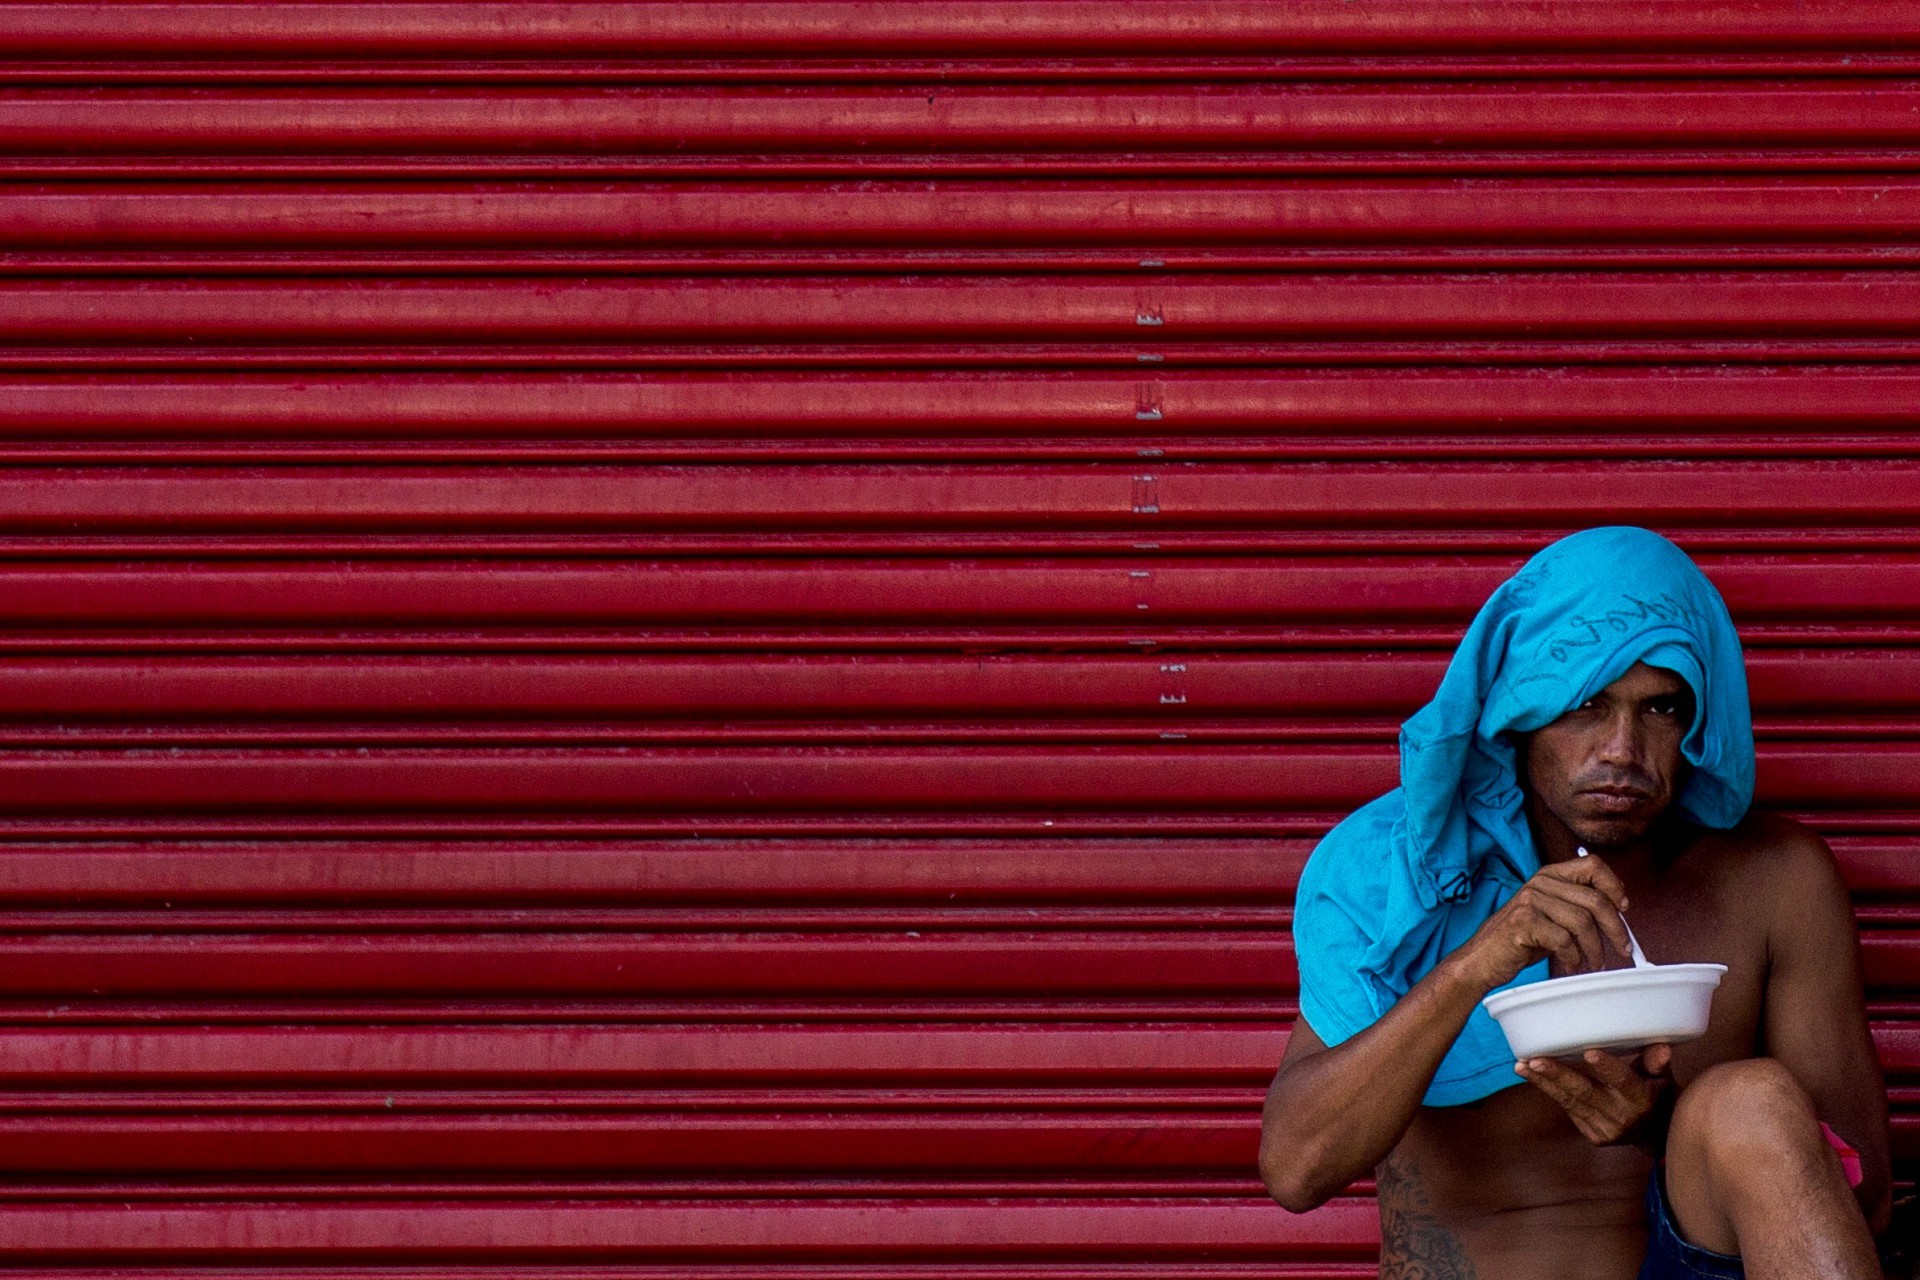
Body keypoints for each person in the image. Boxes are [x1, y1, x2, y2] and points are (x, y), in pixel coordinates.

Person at [1260, 527, 1891, 1280]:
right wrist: (1479, 963)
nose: (1622, 750)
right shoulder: (1403, 871)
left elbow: (1866, 1201)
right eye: (1586, 704)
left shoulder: (1771, 880)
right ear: (1519, 714)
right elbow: (1296, 1169)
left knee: (1748, 1099)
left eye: (1660, 709)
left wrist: (1661, 1126)